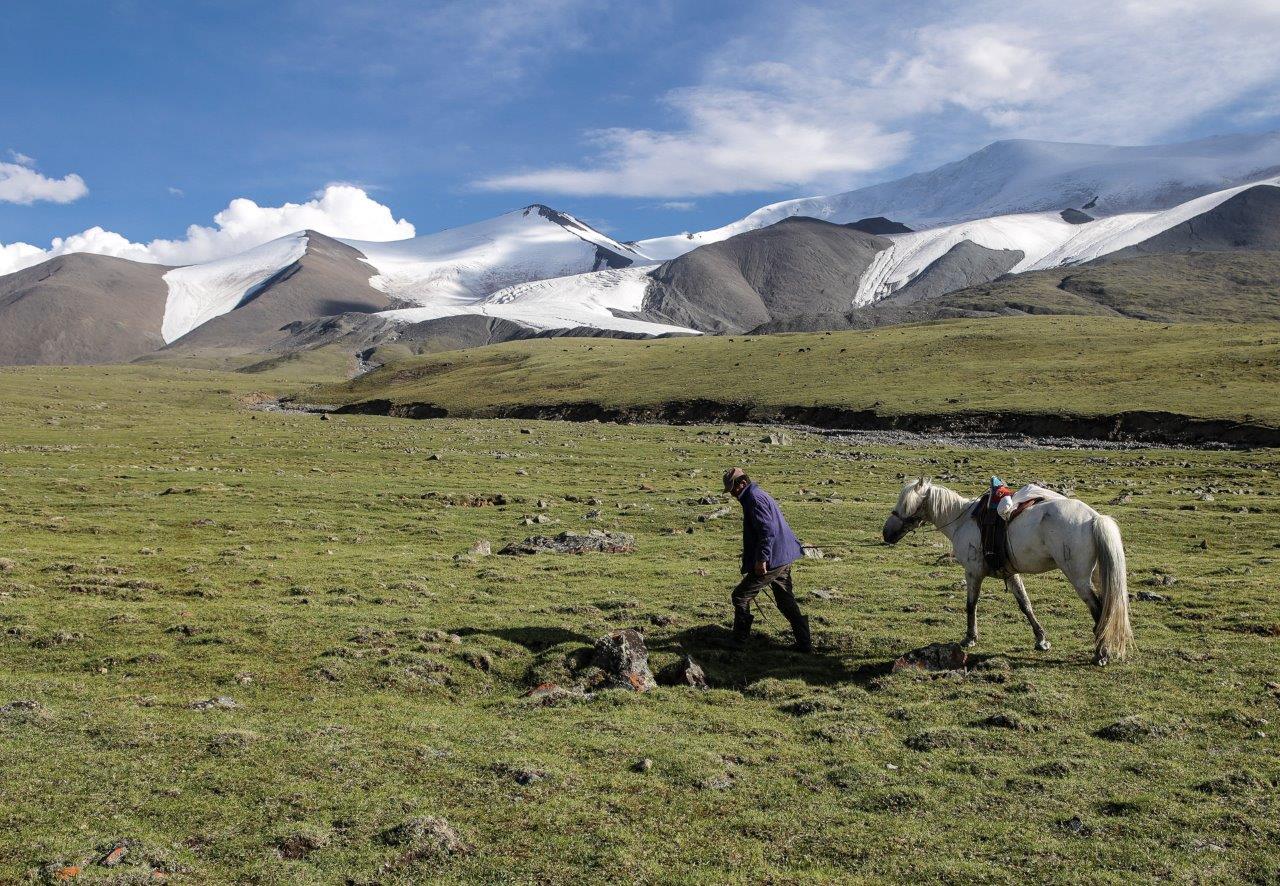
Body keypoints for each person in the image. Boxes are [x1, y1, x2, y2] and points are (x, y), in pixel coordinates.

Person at [723, 467, 812, 652]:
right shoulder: (756, 494)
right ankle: (804, 644)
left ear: (743, 483)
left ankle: (739, 641)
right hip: (782, 555)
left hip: (773, 557)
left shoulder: (754, 499)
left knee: (740, 596)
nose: (732, 494)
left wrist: (761, 559)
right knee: (785, 601)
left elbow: (767, 531)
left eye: (733, 489)